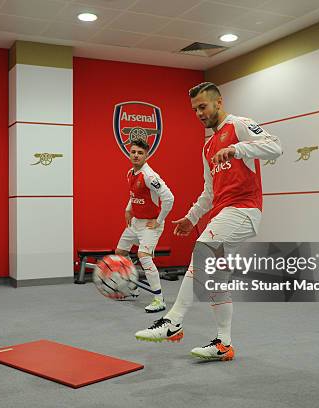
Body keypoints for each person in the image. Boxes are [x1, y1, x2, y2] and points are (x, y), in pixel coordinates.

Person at [134, 82, 282, 361]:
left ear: (218, 102)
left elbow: (276, 147)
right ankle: (223, 344)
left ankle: (173, 322)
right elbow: (209, 192)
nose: (199, 113)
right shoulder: (208, 146)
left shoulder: (239, 125)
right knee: (215, 281)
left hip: (244, 210)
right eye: (195, 109)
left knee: (202, 252)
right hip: (224, 211)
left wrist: (238, 150)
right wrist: (191, 218)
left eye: (203, 106)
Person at [116, 139, 174, 313]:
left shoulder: (150, 176)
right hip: (135, 223)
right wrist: (128, 209)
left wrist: (159, 220)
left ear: (146, 155)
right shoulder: (130, 173)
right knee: (120, 253)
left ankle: (159, 299)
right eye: (133, 152)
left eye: (140, 153)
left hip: (150, 225)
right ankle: (133, 290)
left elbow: (169, 198)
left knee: (143, 255)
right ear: (129, 153)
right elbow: (134, 194)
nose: (136, 155)